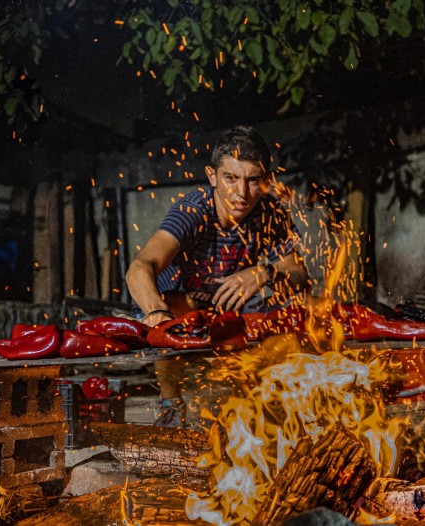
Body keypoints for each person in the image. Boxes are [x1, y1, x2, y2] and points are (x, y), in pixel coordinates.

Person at [126, 125, 310, 427]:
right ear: (212, 176)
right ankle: (171, 404)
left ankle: (262, 401)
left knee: (288, 305)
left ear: (266, 180)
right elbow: (140, 266)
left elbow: (300, 274)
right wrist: (157, 313)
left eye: (253, 180)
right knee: (175, 306)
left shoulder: (271, 213)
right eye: (231, 178)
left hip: (229, 307)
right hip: (180, 309)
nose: (242, 193)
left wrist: (266, 271)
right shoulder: (192, 211)